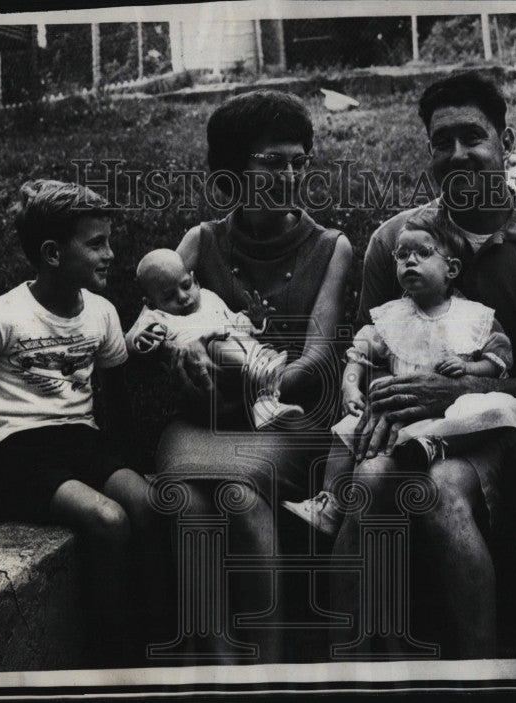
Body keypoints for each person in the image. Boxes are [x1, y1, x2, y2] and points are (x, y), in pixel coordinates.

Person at [330, 71, 516, 658]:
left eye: (472, 137)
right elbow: (373, 349)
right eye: (440, 142)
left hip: (499, 432)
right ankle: (346, 656)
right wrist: (378, 404)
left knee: (442, 490)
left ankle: (481, 662)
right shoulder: (396, 241)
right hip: (407, 426)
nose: (456, 155)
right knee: (367, 479)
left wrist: (451, 397)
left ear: (506, 139)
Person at [151, 90, 353, 662]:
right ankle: (216, 659)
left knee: (238, 496)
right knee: (183, 498)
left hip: (287, 422)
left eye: (299, 161)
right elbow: (158, 329)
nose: (289, 175)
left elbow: (316, 364)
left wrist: (249, 376)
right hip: (203, 417)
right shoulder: (200, 241)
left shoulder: (331, 247)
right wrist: (178, 359)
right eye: (271, 162)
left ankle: (263, 661)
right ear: (231, 173)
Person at [0, 179, 168, 666]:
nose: (110, 254)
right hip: (20, 451)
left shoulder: (102, 313)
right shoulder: (3, 315)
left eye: (108, 240)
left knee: (149, 506)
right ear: (52, 253)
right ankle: (115, 657)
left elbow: (116, 393)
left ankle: (157, 632)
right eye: (96, 244)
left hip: (80, 442)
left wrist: (129, 462)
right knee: (108, 520)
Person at [282, 212, 516, 536]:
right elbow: (358, 356)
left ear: (452, 269)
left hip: (453, 411)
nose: (410, 261)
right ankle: (330, 503)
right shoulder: (390, 317)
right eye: (402, 255)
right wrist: (351, 390)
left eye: (422, 253)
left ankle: (429, 446)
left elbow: (499, 360)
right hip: (401, 412)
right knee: (346, 430)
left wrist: (469, 368)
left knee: (484, 407)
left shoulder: (474, 316)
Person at [128, 248, 304, 430]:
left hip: (242, 354)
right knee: (218, 346)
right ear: (150, 303)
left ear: (195, 280)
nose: (183, 297)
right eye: (169, 296)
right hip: (209, 367)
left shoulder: (209, 298)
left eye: (186, 285)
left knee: (254, 346)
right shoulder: (158, 317)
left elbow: (235, 322)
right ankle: (263, 378)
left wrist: (254, 321)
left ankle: (265, 405)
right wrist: (143, 339)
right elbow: (146, 341)